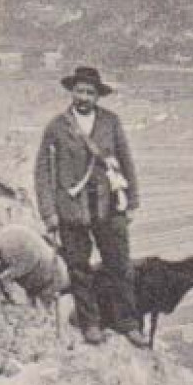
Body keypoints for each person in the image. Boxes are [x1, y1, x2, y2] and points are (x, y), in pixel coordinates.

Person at [34, 65, 149, 347]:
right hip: (71, 209)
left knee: (120, 266)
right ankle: (90, 324)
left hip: (109, 206)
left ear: (98, 96)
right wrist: (49, 213)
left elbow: (126, 161)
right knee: (79, 269)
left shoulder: (112, 122)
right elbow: (42, 172)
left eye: (89, 92)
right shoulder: (57, 127)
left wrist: (132, 201)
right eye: (79, 91)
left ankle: (127, 322)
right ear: (71, 92)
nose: (83, 96)